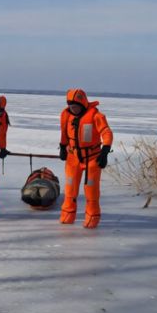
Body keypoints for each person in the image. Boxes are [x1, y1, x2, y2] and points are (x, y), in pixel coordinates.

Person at [59, 88, 113, 229]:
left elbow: (106, 132)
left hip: (92, 159)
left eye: (75, 106)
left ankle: (92, 218)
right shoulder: (66, 115)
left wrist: (105, 150)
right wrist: (62, 147)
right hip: (73, 158)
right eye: (70, 106)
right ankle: (67, 215)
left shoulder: (95, 116)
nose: (72, 108)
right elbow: (64, 133)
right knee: (70, 189)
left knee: (91, 190)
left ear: (82, 104)